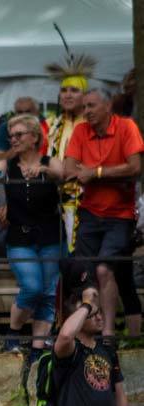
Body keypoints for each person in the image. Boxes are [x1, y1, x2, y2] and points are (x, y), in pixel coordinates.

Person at [64, 87, 144, 337]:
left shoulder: (126, 127)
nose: (86, 111)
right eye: (84, 106)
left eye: (91, 106)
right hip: (89, 213)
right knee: (87, 273)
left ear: (108, 106)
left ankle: (108, 336)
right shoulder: (80, 131)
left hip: (120, 216)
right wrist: (109, 174)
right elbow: (69, 170)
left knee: (104, 270)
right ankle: (95, 333)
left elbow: (135, 168)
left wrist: (95, 173)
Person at [0, 114, 65, 353]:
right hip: (20, 236)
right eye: (11, 136)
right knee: (32, 287)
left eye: (19, 135)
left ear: (34, 137)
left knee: (50, 292)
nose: (14, 139)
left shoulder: (51, 162)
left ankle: (38, 346)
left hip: (51, 235)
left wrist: (43, 171)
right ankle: (14, 332)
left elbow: (63, 175)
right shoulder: (7, 166)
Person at [45, 51, 92, 252]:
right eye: (64, 90)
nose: (68, 95)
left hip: (89, 201)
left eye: (74, 90)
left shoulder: (94, 125)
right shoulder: (50, 125)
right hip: (54, 201)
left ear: (85, 96)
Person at [0, 97, 47, 162]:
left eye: (28, 111)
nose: (24, 115)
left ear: (37, 113)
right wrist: (18, 146)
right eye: (20, 112)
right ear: (15, 114)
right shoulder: (5, 127)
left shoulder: (46, 125)